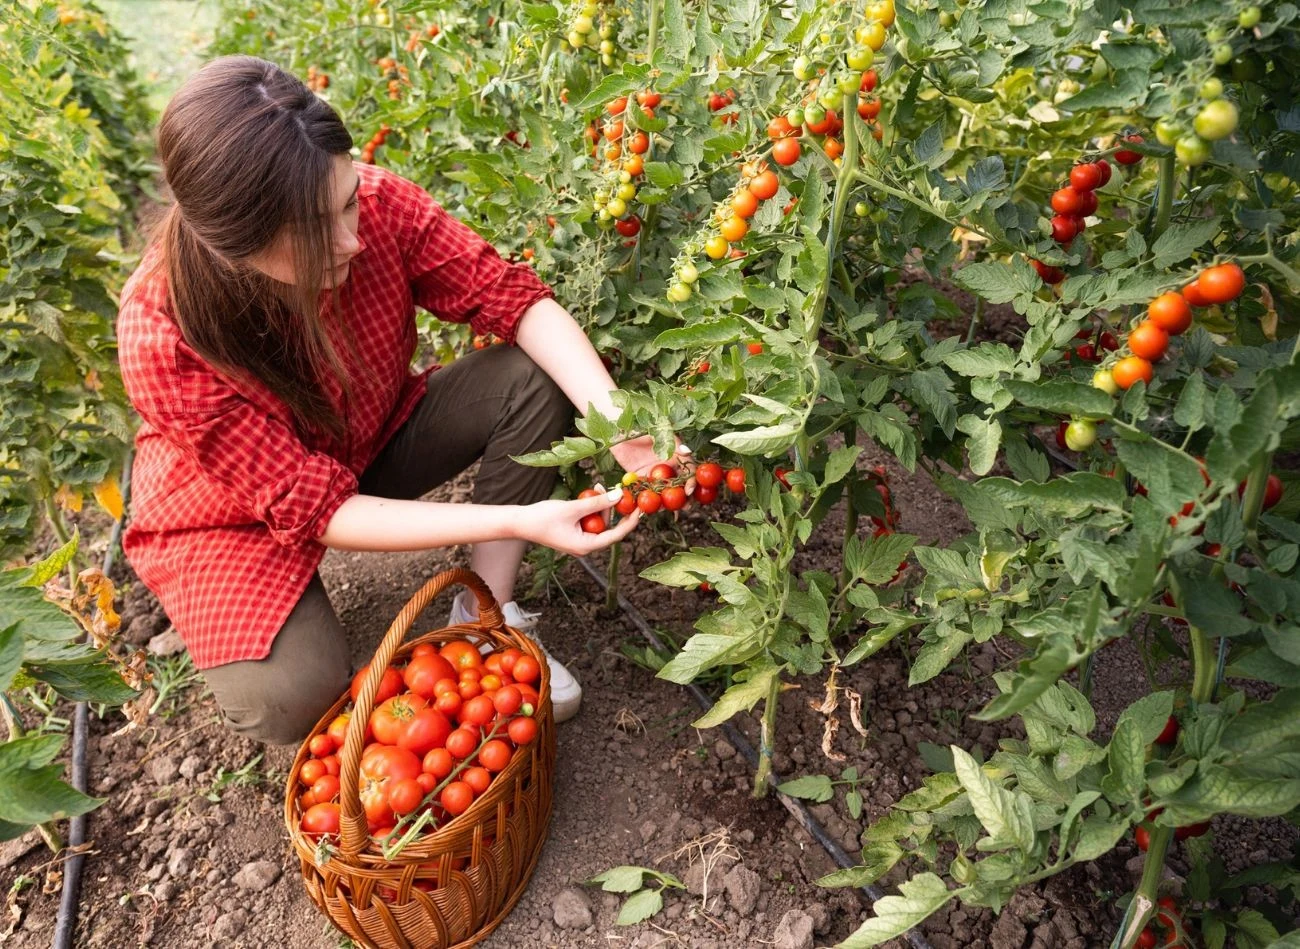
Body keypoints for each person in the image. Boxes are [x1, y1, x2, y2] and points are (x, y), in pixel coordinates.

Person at [116, 55, 684, 743]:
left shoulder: (378, 207)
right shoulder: (162, 334)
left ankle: (486, 618)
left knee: (532, 375)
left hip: (365, 436)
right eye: (317, 230)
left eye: (348, 199)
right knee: (291, 696)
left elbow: (514, 300)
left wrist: (618, 421)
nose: (352, 238)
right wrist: (521, 516)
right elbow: (316, 506)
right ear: (235, 246)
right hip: (227, 513)